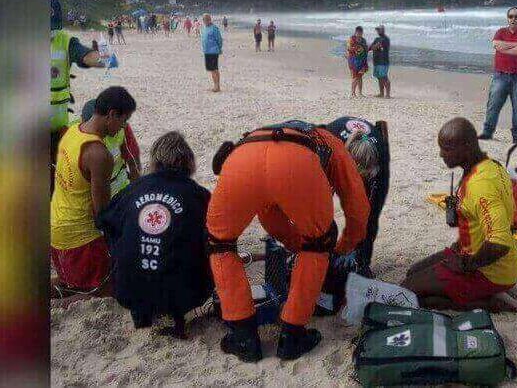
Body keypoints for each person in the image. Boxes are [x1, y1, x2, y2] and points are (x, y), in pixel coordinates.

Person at [208, 120, 370, 362]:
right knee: (317, 246)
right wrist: (344, 244)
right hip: (296, 164)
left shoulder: (267, 132)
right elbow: (357, 204)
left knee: (220, 246)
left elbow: (268, 212)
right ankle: (293, 335)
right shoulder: (331, 142)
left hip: (240, 159)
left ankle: (242, 334)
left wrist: (292, 243)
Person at [96, 132, 213, 339]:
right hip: (187, 293)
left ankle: (141, 312)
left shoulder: (134, 189)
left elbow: (104, 221)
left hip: (127, 289)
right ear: (187, 161)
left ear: (156, 161)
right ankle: (178, 317)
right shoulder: (199, 195)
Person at [401, 117, 517, 313]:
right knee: (411, 274)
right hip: (473, 251)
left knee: (409, 293)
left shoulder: (481, 184)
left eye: (447, 148)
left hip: (490, 268)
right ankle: (480, 291)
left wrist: (466, 265)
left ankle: (491, 303)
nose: (441, 154)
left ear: (467, 146)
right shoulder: (490, 165)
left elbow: (500, 243)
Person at [50, 86, 137, 303]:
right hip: (81, 239)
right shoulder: (99, 155)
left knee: (69, 283)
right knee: (108, 290)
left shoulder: (72, 132)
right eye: (123, 121)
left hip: (57, 230)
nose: (123, 127)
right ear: (112, 115)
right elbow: (102, 215)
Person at [311, 117, 390, 313]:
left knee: (370, 215)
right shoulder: (326, 149)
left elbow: (365, 215)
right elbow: (318, 203)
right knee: (318, 215)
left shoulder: (376, 158)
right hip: (335, 152)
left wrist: (354, 249)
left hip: (368, 158)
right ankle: (321, 264)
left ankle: (361, 264)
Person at [50, 0, 106, 186]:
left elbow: (86, 55)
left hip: (56, 129)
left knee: (56, 178)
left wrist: (97, 58)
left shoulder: (64, 41)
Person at [479, 6, 517, 144]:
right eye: (511, 16)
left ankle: (516, 137)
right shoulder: (500, 32)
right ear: (507, 19)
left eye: (516, 17)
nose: (513, 19)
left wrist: (505, 48)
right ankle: (487, 132)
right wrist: (515, 46)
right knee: (493, 104)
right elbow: (496, 45)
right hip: (500, 75)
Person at [79, 99, 141, 196]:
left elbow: (127, 152)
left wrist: (134, 173)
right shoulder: (81, 141)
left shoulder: (118, 128)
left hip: (121, 188)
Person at [201, 13, 223, 93]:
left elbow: (219, 40)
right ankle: (215, 85)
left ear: (209, 19)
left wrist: (219, 48)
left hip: (213, 51)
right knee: (211, 69)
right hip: (207, 51)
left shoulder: (214, 28)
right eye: (204, 19)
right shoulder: (204, 28)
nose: (205, 21)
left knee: (214, 69)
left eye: (206, 19)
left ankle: (217, 86)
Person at [369, 25, 391, 98]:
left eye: (380, 30)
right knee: (379, 77)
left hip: (383, 61)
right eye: (377, 30)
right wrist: (373, 47)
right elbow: (370, 48)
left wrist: (374, 47)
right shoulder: (377, 39)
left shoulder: (385, 39)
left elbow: (374, 47)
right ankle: (381, 93)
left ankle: (387, 94)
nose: (378, 31)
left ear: (383, 30)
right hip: (376, 61)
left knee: (384, 77)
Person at [346, 26, 368, 98]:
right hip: (353, 60)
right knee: (355, 77)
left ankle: (360, 93)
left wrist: (365, 62)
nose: (359, 34)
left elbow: (366, 50)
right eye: (358, 33)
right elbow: (349, 49)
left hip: (362, 61)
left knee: (360, 77)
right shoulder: (352, 39)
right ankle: (352, 93)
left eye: (361, 33)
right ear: (355, 32)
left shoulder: (363, 40)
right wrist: (356, 49)